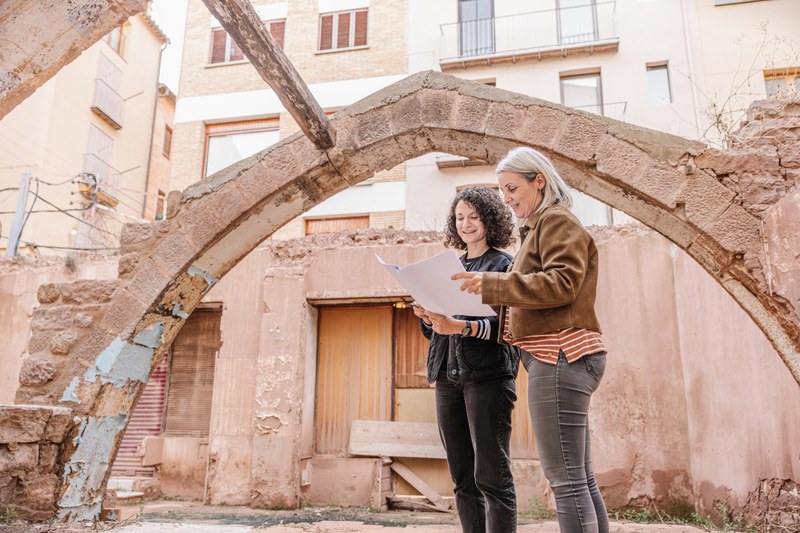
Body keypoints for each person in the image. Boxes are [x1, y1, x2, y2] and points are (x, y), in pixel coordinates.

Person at [453, 147, 609, 533]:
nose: (506, 199)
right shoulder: (540, 228)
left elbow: (562, 283)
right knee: (580, 478)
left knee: (566, 481)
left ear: (539, 181)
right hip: (562, 357)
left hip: (559, 355)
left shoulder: (555, 220)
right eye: (502, 191)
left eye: (512, 188)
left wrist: (493, 283)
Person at [412, 186, 519, 533]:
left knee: (491, 476)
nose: (466, 224)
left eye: (474, 216)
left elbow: (511, 327)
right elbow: (437, 332)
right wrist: (428, 317)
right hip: (447, 377)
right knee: (462, 476)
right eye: (460, 217)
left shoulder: (503, 265)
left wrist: (460, 325)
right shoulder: (450, 266)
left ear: (490, 219)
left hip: (487, 378)